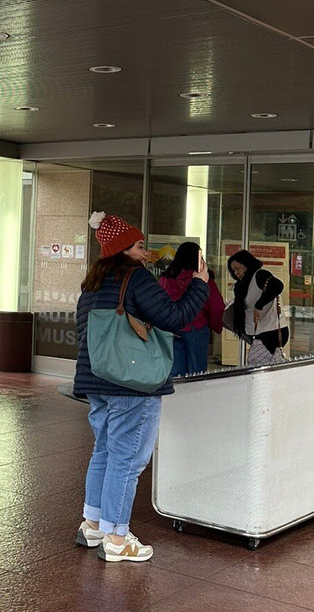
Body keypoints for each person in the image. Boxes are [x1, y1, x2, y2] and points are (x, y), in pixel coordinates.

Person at [74, 212, 209, 563]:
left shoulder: (91, 283)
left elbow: (83, 333)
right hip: (132, 384)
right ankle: (117, 537)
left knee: (103, 450)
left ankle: (92, 524)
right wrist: (200, 284)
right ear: (122, 249)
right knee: (127, 459)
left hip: (96, 381)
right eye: (138, 245)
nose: (145, 251)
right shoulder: (136, 278)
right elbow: (175, 317)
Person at [159, 241, 225, 375]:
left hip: (171, 328)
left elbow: (159, 304)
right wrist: (215, 325)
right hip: (197, 326)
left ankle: (177, 395)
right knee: (197, 371)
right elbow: (216, 305)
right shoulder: (202, 278)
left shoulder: (165, 277)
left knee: (175, 371)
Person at [226, 249, 287, 365]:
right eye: (233, 270)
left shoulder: (259, 275)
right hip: (256, 332)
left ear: (247, 264)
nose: (236, 273)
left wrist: (259, 305)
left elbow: (277, 286)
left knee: (261, 368)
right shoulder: (240, 286)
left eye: (237, 269)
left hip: (271, 331)